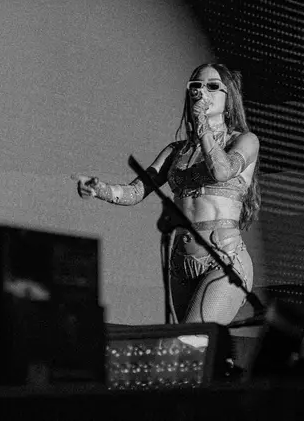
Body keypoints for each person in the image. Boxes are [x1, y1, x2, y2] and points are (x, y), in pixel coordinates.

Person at [76, 63, 261, 325]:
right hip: (181, 262)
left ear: (228, 98)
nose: (202, 92)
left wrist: (202, 123)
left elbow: (221, 171)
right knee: (182, 344)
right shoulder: (176, 151)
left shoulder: (244, 141)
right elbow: (136, 191)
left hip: (224, 259)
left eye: (212, 86)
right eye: (196, 86)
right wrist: (99, 188)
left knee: (192, 339)